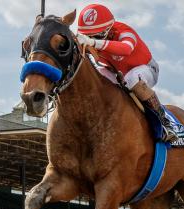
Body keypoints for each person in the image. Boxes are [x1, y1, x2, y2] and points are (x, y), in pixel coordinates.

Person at [75, 4, 177, 142]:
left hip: (146, 69)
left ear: (108, 28)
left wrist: (93, 42)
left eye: (96, 35)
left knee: (132, 78)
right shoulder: (92, 40)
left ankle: (165, 122)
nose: (92, 39)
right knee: (97, 78)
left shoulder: (124, 31)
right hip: (117, 73)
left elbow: (126, 49)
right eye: (88, 36)